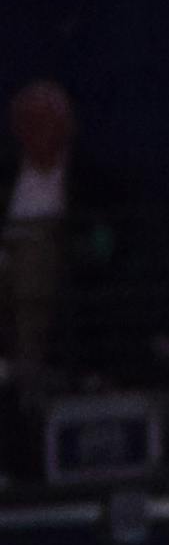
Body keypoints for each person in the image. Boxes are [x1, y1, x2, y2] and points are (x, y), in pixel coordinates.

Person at [4, 75, 102, 421]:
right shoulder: (5, 177)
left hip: (57, 262)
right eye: (26, 124)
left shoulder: (89, 180)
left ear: (64, 127)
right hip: (6, 257)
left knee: (33, 261)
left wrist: (81, 249)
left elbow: (103, 240)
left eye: (43, 122)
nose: (34, 131)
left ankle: (29, 373)